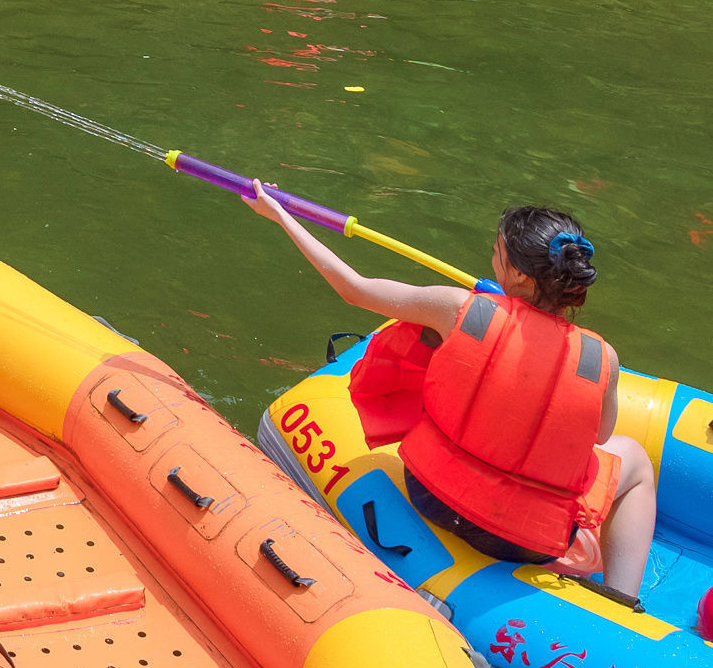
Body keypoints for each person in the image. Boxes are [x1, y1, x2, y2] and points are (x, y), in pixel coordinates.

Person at [247, 188, 656, 601]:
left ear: (518, 276)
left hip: (432, 497)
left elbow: (354, 287)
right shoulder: (601, 357)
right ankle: (622, 597)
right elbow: (600, 437)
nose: (492, 255)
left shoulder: (458, 308)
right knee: (635, 461)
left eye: (497, 250)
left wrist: (281, 215)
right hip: (527, 542)